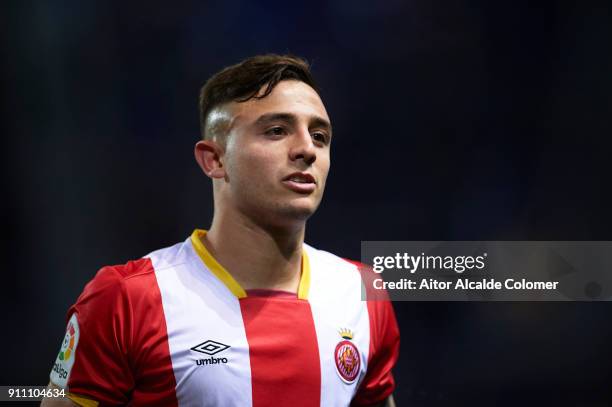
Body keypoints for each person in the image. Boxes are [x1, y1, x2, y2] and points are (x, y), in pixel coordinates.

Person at [42, 54, 400, 407]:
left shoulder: (362, 293)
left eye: (320, 136)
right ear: (214, 159)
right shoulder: (126, 300)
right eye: (277, 130)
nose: (307, 149)